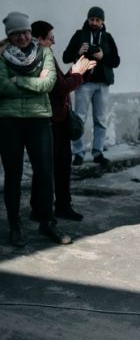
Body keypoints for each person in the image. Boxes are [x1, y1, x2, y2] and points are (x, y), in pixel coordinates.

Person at [0, 11, 71, 246]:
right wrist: (34, 82)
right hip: (9, 121)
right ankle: (15, 225)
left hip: (39, 119)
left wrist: (18, 80)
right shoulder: (1, 54)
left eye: (25, 32)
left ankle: (48, 222)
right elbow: (2, 86)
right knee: (13, 175)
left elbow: (48, 84)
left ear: (31, 32)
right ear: (9, 36)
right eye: (16, 34)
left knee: (45, 174)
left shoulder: (44, 52)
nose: (22, 37)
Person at [31, 20, 95, 221]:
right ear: (39, 39)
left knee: (51, 166)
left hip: (55, 118)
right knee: (55, 166)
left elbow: (62, 82)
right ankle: (54, 207)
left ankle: (44, 207)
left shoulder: (43, 55)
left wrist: (78, 70)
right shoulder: (41, 57)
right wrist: (77, 73)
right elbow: (61, 88)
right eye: (50, 38)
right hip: (53, 120)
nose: (54, 41)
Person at [63, 6, 120, 166]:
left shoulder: (107, 37)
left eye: (97, 20)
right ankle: (78, 153)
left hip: (102, 84)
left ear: (102, 21)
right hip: (83, 82)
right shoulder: (79, 35)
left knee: (100, 120)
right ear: (87, 19)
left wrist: (103, 56)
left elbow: (116, 61)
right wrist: (78, 52)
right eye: (92, 19)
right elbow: (66, 57)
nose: (94, 22)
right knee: (79, 119)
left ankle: (98, 152)